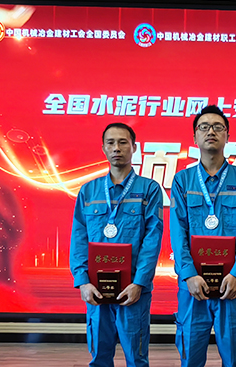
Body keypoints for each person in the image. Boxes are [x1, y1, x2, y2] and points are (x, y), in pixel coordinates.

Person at [170, 105, 236, 367]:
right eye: (204, 127)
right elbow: (178, 232)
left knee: (233, 357)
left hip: (232, 285)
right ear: (194, 137)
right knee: (190, 356)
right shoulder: (182, 180)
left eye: (218, 127)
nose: (211, 131)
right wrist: (188, 274)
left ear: (227, 136)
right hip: (193, 286)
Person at [70, 122, 163, 367]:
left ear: (134, 147)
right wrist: (83, 281)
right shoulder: (89, 191)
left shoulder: (149, 190)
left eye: (123, 142)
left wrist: (140, 283)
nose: (116, 148)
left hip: (133, 289)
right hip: (96, 289)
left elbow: (152, 240)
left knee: (137, 358)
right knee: (99, 357)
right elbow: (79, 238)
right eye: (110, 143)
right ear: (103, 148)